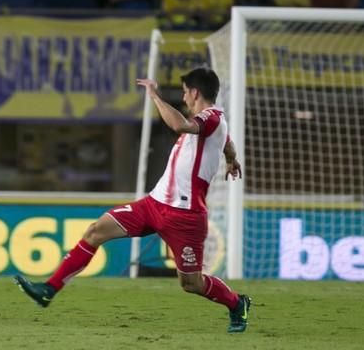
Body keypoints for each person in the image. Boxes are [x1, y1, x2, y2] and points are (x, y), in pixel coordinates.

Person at [14, 67, 251, 334]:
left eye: (185, 92)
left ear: (195, 92)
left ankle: (236, 303)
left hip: (185, 215)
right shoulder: (213, 124)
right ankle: (49, 289)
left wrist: (154, 95)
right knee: (95, 231)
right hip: (154, 204)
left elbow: (177, 124)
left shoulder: (210, 117)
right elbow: (227, 142)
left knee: (191, 283)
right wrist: (232, 159)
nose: (184, 98)